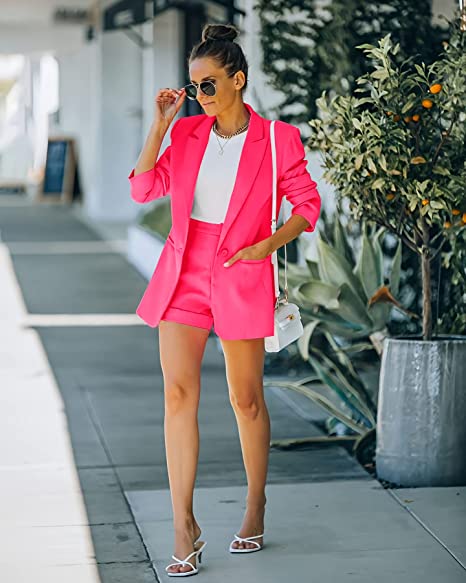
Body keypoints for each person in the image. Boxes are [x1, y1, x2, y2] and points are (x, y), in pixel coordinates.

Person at [128, 22, 321, 577]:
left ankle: (255, 505)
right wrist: (161, 125)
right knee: (177, 395)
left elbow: (307, 205)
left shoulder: (278, 139)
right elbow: (143, 188)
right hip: (184, 272)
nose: (200, 95)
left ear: (238, 79)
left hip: (241, 270)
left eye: (209, 84)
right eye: (194, 87)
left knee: (246, 399)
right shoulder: (187, 133)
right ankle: (183, 526)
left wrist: (267, 245)